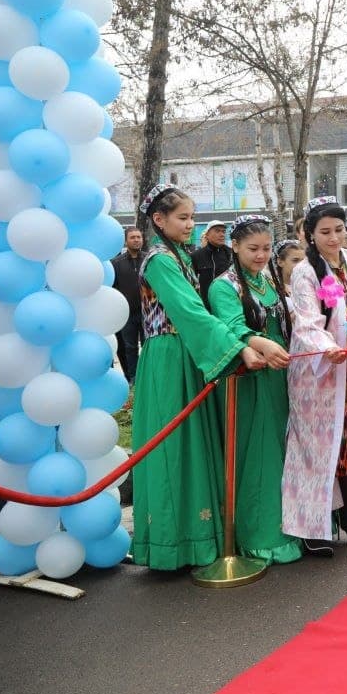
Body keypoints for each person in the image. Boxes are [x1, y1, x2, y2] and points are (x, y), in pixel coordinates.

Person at [130, 185, 266, 570]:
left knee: (194, 446)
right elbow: (189, 311)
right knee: (174, 450)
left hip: (190, 353)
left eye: (192, 218)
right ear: (159, 220)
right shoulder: (159, 260)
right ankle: (173, 544)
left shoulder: (180, 256)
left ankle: (199, 540)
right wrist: (236, 347)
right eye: (183, 218)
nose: (191, 225)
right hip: (169, 357)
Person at [282, 197, 347, 555]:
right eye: (325, 232)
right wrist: (327, 348)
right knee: (320, 449)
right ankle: (312, 526)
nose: (334, 237)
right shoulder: (306, 271)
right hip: (320, 375)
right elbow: (307, 322)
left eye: (339, 229)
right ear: (310, 233)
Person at [206, 214, 300, 565]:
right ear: (234, 246)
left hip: (278, 374)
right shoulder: (223, 285)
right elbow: (230, 327)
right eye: (252, 249)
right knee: (255, 453)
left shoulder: (267, 279)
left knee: (277, 449)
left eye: (265, 249)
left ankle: (285, 524)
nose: (260, 256)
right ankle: (259, 536)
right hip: (249, 375)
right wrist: (261, 344)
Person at [111, 226, 145, 383]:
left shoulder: (149, 259)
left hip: (148, 313)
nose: (137, 240)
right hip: (126, 314)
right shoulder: (116, 263)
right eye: (133, 237)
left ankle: (148, 375)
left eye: (139, 237)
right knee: (130, 348)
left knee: (149, 346)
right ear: (126, 241)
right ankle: (134, 378)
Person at [192, 220, 232, 306]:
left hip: (228, 303)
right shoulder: (197, 255)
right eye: (217, 231)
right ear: (207, 234)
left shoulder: (231, 254)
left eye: (223, 232)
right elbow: (192, 283)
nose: (222, 234)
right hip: (206, 305)